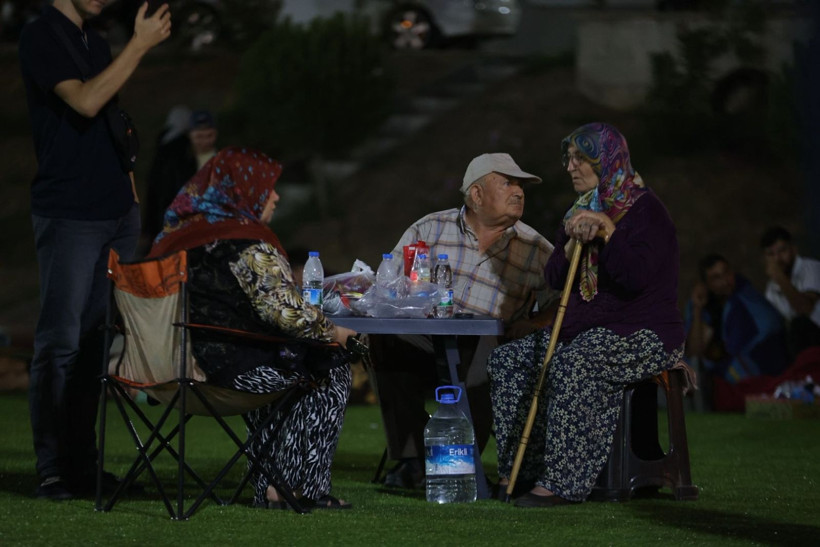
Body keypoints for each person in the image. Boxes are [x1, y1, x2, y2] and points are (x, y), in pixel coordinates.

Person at [18, 0, 171, 500]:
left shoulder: (96, 40)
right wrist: (141, 44)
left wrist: (129, 196)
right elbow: (84, 101)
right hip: (69, 213)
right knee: (59, 343)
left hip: (114, 214)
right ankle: (52, 468)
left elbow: (108, 118)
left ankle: (83, 463)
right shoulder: (41, 35)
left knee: (92, 348)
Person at [488, 122, 685, 507]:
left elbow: (634, 277)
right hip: (584, 328)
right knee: (509, 361)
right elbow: (556, 279)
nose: (570, 166)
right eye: (569, 158)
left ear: (606, 161)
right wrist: (569, 243)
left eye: (581, 158)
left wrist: (609, 232)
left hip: (644, 333)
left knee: (576, 362)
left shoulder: (646, 212)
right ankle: (521, 471)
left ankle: (563, 483)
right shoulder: (580, 210)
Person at [149, 146, 357, 510]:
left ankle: (273, 487)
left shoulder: (171, 238)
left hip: (161, 368)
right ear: (243, 193)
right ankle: (298, 489)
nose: (275, 196)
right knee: (329, 365)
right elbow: (286, 313)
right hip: (222, 373)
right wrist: (338, 334)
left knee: (283, 361)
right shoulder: (247, 243)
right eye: (267, 187)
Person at [371, 152, 555, 489]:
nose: (519, 192)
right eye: (508, 183)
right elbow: (387, 286)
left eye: (521, 185)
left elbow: (564, 304)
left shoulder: (536, 248)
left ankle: (459, 459)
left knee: (485, 346)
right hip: (428, 342)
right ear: (476, 194)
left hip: (491, 347)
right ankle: (413, 459)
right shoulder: (429, 228)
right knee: (385, 338)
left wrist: (535, 321)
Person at [685, 253, 789, 396]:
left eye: (726, 272)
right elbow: (695, 351)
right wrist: (697, 308)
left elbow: (770, 326)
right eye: (716, 278)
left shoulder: (744, 296)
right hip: (728, 365)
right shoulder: (708, 307)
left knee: (732, 370)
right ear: (707, 285)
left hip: (763, 358)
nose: (725, 281)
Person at [141, 107, 218, 250]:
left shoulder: (220, 161)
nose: (203, 141)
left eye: (208, 135)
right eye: (199, 136)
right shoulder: (179, 157)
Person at [759, 226, 820, 357]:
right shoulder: (771, 289)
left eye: (782, 251)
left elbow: (805, 309)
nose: (777, 259)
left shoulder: (810, 268)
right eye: (771, 254)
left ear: (793, 249)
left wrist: (780, 278)